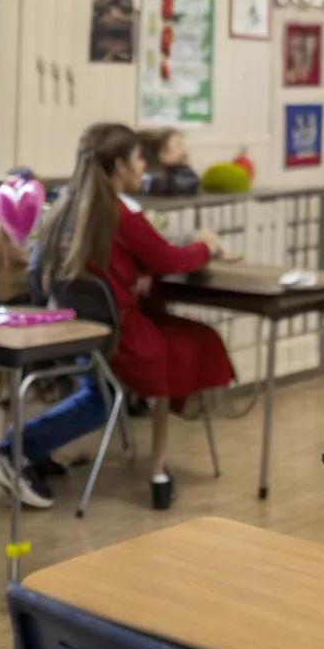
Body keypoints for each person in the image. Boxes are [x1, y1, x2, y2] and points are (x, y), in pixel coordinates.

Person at [40, 122, 233, 509]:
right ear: (120, 166)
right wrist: (205, 246)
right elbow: (169, 259)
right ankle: (159, 468)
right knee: (193, 341)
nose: (144, 165)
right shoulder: (122, 216)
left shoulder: (64, 208)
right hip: (126, 337)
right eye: (139, 158)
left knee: (174, 342)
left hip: (84, 331)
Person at [138, 127, 199, 197]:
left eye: (183, 145)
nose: (184, 150)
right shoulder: (148, 178)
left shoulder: (185, 173)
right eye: (178, 145)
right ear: (159, 152)